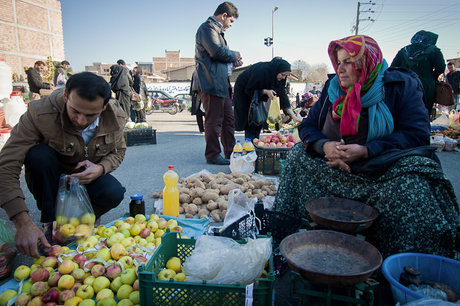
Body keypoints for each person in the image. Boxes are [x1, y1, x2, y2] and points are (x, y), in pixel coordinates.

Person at [273, 35, 459, 259]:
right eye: (338, 62)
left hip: (382, 175)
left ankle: (402, 262)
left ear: (366, 61)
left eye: (348, 62)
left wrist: (368, 150)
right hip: (335, 169)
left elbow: (417, 135)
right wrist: (325, 146)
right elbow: (308, 126)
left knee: (415, 182)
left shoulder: (400, 86)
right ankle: (286, 236)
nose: (340, 69)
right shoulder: (332, 89)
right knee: (296, 155)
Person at [0, 72, 127, 258]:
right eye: (75, 111)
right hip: (50, 178)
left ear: (104, 106)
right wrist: (21, 221)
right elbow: (7, 165)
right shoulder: (39, 113)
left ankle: (82, 218)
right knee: (38, 156)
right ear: (66, 96)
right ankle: (50, 223)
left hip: (84, 180)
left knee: (114, 191)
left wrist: (100, 168)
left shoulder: (114, 116)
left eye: (90, 115)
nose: (81, 121)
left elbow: (119, 151)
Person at [193, 1, 243, 165]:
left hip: (221, 84)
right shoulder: (207, 28)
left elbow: (220, 56)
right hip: (211, 83)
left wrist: (232, 62)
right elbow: (216, 52)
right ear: (224, 16)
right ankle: (213, 155)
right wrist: (233, 55)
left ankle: (231, 153)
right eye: (231, 21)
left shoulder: (217, 31)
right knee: (214, 122)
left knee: (229, 120)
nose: (230, 25)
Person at [233, 57, 301, 140]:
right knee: (250, 119)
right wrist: (265, 91)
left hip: (258, 93)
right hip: (244, 92)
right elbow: (249, 89)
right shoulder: (261, 71)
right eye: (282, 75)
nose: (283, 78)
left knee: (259, 118)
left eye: (285, 76)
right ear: (276, 70)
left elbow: (283, 95)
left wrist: (293, 116)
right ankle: (250, 144)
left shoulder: (281, 77)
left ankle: (255, 142)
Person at [391, 30, 446, 118]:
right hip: (425, 87)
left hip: (403, 86)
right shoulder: (434, 50)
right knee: (423, 113)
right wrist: (432, 78)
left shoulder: (404, 51)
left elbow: (392, 68)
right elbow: (440, 67)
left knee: (403, 113)